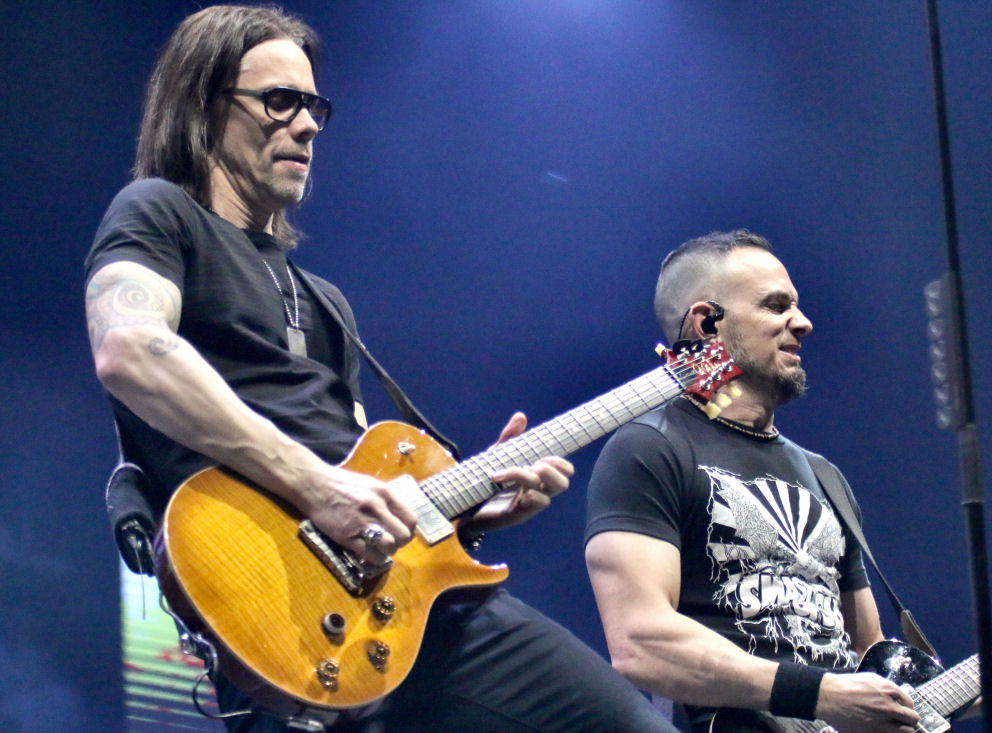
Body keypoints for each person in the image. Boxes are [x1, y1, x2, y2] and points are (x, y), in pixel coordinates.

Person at [84, 6, 676, 732]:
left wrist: (462, 518)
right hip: (277, 614)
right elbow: (130, 349)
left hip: (411, 607)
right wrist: (316, 485)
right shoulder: (159, 214)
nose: (307, 126)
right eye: (280, 101)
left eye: (315, 107)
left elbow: (367, 478)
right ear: (203, 107)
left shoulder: (325, 302)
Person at [583, 229, 992, 732]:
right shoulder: (650, 449)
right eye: (776, 306)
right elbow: (641, 642)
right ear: (707, 322)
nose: (803, 322)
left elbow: (870, 671)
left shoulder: (824, 477)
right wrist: (819, 694)